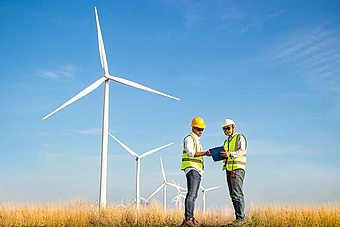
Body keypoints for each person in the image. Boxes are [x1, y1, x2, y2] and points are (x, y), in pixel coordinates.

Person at [181, 117, 211, 227]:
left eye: (202, 129)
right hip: (192, 168)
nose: (201, 131)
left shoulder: (197, 140)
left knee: (194, 195)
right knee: (191, 194)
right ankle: (188, 219)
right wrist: (205, 153)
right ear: (193, 128)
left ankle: (191, 218)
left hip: (197, 170)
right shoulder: (189, 139)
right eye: (199, 129)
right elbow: (190, 153)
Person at [219, 119, 247, 223]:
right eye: (224, 130)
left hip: (237, 168)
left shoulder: (240, 137)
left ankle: (240, 219)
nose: (226, 131)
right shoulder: (226, 141)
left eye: (227, 128)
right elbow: (226, 154)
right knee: (233, 194)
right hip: (228, 169)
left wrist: (229, 154)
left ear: (233, 126)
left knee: (237, 193)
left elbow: (241, 151)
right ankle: (238, 218)